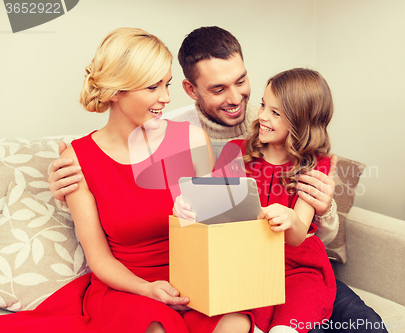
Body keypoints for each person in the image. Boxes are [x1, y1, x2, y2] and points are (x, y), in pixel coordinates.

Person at [48, 26, 387, 333]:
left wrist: (324, 210)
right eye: (218, 88)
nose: (237, 98)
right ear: (192, 90)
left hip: (270, 266)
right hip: (142, 283)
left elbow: (227, 220)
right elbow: (101, 253)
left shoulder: (270, 118)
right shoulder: (81, 159)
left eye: (241, 82)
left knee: (365, 326)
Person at [0, 27, 253, 333]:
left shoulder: (192, 139)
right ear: (117, 91)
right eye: (152, 87)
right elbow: (99, 258)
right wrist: (147, 289)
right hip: (129, 288)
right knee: (158, 328)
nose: (166, 97)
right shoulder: (77, 159)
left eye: (167, 84)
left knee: (237, 323)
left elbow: (216, 229)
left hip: (194, 283)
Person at [176, 68, 337, 333]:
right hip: (248, 262)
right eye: (263, 105)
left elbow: (297, 236)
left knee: (285, 328)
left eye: (275, 113)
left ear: (301, 122)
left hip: (298, 267)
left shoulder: (314, 165)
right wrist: (186, 206)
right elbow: (214, 207)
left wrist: (290, 218)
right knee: (251, 324)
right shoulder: (237, 151)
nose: (261, 116)